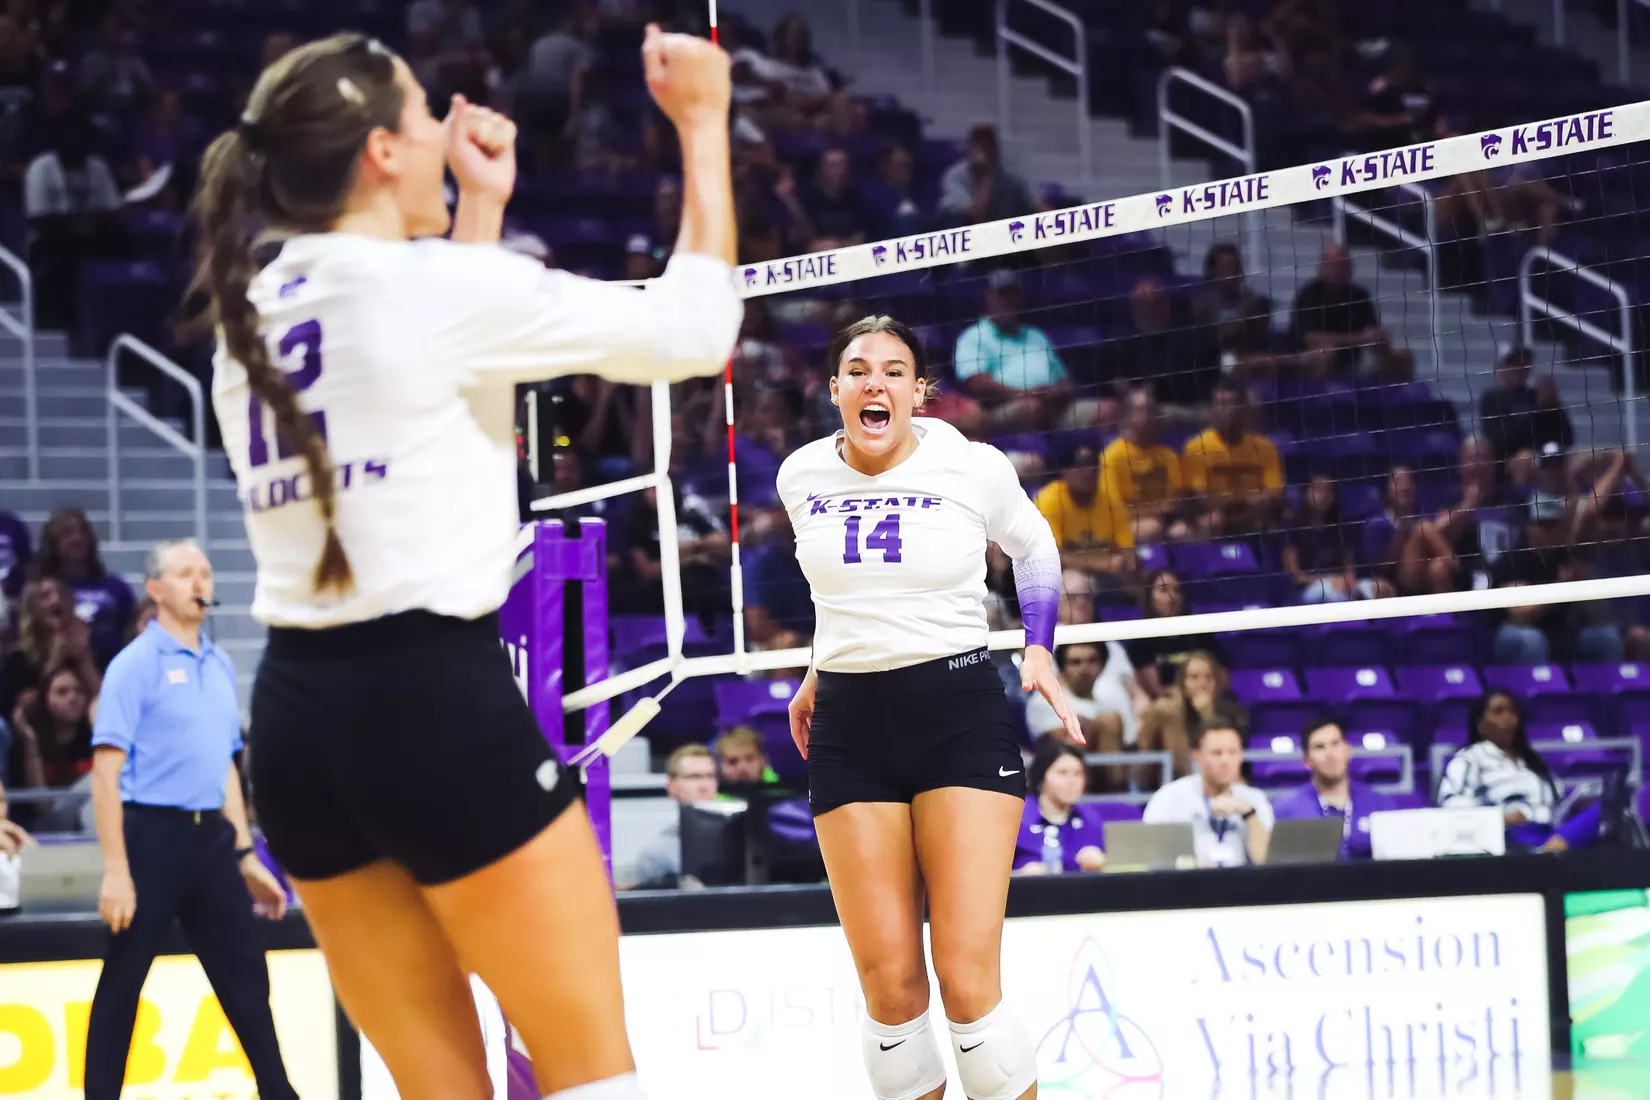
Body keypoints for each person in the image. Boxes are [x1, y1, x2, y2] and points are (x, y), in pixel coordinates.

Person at [198, 29, 740, 1100]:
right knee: (593, 1077)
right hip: (430, 706)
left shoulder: (247, 313)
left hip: (300, 731)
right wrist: (704, 121)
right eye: (424, 121)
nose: (447, 141)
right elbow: (697, 327)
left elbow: (432, 389)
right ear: (381, 155)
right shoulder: (428, 291)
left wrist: (479, 215)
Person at [783, 314, 1079, 1100]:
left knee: (967, 985)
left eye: (892, 370)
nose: (873, 382)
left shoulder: (971, 465)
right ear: (836, 388)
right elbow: (839, 592)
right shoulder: (800, 476)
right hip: (850, 726)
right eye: (857, 369)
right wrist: (821, 665)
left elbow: (1036, 548)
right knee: (890, 998)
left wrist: (1038, 645)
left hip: (957, 712)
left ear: (919, 392)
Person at [85, 540, 296, 1100]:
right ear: (156, 590)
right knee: (124, 984)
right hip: (150, 836)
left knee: (247, 977)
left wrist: (246, 855)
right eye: (184, 573)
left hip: (212, 843)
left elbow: (225, 766)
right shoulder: (133, 666)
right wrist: (115, 869)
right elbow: (105, 773)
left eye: (204, 571)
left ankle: (278, 1091)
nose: (199, 581)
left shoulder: (220, 664)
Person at [1438, 691, 1597, 853]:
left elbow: (1559, 801)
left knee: (1603, 810)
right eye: (1498, 712)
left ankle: (1553, 848)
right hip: (1510, 837)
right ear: (1480, 725)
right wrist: (1500, 818)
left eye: (1512, 712)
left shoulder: (1532, 761)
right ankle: (1550, 852)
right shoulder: (1469, 759)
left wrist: (1578, 801)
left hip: (1551, 829)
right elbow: (1453, 804)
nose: (1508, 718)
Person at [1142, 720, 1273, 866]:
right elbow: (1153, 856)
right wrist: (1190, 865)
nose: (1225, 760)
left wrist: (1248, 814)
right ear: (1197, 756)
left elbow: (1264, 860)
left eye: (1232, 752)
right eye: (1216, 753)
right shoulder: (1168, 798)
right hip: (1186, 883)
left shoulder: (1254, 799)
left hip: (1243, 884)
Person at [1270, 715, 1397, 861]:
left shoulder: (1380, 805)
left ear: (1348, 751)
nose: (1330, 754)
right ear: (1306, 760)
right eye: (1320, 747)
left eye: (1335, 743)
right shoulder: (1285, 811)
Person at [629, 743, 719, 889]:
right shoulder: (656, 855)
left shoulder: (743, 839)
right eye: (694, 777)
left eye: (710, 776)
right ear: (671, 785)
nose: (704, 785)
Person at [1013, 735, 1106, 874]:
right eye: (1062, 773)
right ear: (1041, 777)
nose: (1071, 781)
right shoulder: (1015, 819)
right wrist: (1019, 876)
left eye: (1078, 773)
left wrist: (1104, 865)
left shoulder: (1092, 820)